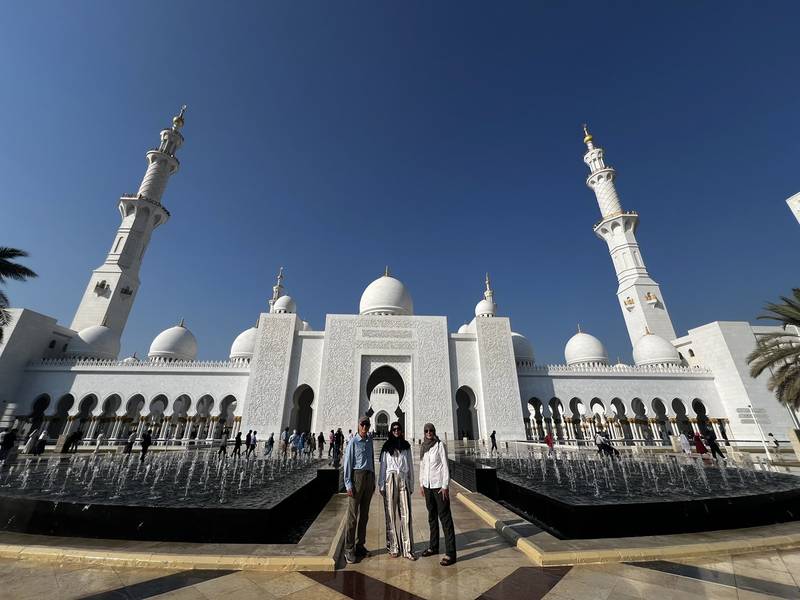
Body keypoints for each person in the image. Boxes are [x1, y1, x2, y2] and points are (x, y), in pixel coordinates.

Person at [419, 423, 456, 566]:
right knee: (432, 517)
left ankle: (450, 553)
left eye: (431, 431)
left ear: (434, 432)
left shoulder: (440, 445)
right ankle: (433, 547)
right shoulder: (424, 447)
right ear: (424, 432)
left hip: (439, 487)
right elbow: (422, 467)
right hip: (428, 487)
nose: (429, 433)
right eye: (426, 431)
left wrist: (445, 485)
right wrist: (421, 484)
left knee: (445, 519)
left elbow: (445, 466)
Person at [379, 421, 415, 560]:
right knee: (390, 515)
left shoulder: (406, 447)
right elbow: (383, 466)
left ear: (401, 431)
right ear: (391, 431)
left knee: (406, 514)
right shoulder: (386, 447)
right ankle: (393, 547)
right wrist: (381, 484)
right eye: (394, 429)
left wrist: (411, 484)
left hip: (403, 479)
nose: (396, 431)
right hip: (390, 479)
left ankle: (407, 549)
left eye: (398, 429)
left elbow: (410, 465)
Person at [343, 416, 375, 564]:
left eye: (367, 425)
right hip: (357, 478)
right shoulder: (353, 442)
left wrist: (373, 480)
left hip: (368, 478)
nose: (364, 427)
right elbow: (348, 463)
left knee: (364, 515)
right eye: (362, 424)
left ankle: (360, 545)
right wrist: (348, 483)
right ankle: (349, 549)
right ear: (358, 426)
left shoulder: (369, 441)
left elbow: (371, 461)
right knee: (353, 516)